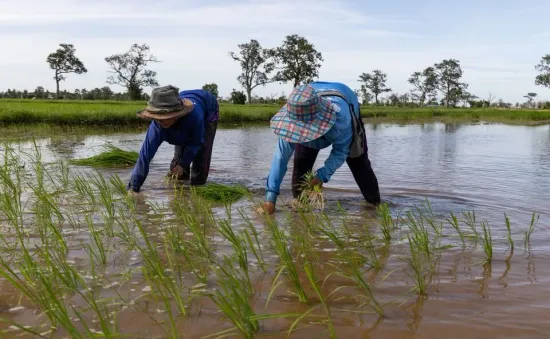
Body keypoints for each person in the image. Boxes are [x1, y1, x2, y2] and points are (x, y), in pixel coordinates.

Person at [262, 81, 381, 214]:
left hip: (346, 102)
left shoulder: (342, 120)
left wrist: (322, 176)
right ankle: (300, 210)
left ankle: (374, 206)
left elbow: (341, 151)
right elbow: (280, 159)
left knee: (359, 163)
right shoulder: (292, 120)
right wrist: (270, 198)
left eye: (306, 130)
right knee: (301, 167)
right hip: (309, 102)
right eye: (299, 130)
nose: (304, 134)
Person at [127, 85, 219, 194]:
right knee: (177, 168)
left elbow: (196, 143)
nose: (161, 122)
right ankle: (180, 192)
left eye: (165, 118)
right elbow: (144, 157)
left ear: (177, 115)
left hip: (209, 108)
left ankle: (198, 189)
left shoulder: (195, 117)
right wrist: (134, 187)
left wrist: (183, 164)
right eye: (158, 118)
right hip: (180, 110)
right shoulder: (157, 127)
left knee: (201, 155)